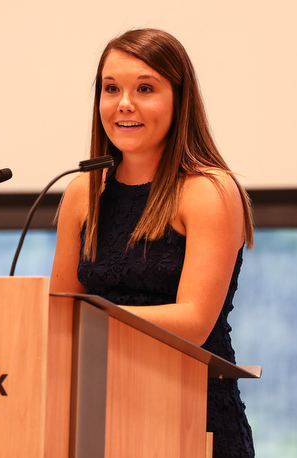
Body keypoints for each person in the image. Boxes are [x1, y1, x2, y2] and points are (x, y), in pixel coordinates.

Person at [50, 28, 256, 457]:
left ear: (179, 100)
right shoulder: (81, 193)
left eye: (145, 88)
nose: (124, 103)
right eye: (112, 89)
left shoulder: (207, 190)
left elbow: (195, 321)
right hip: (97, 414)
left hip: (190, 415)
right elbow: (58, 313)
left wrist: (93, 322)